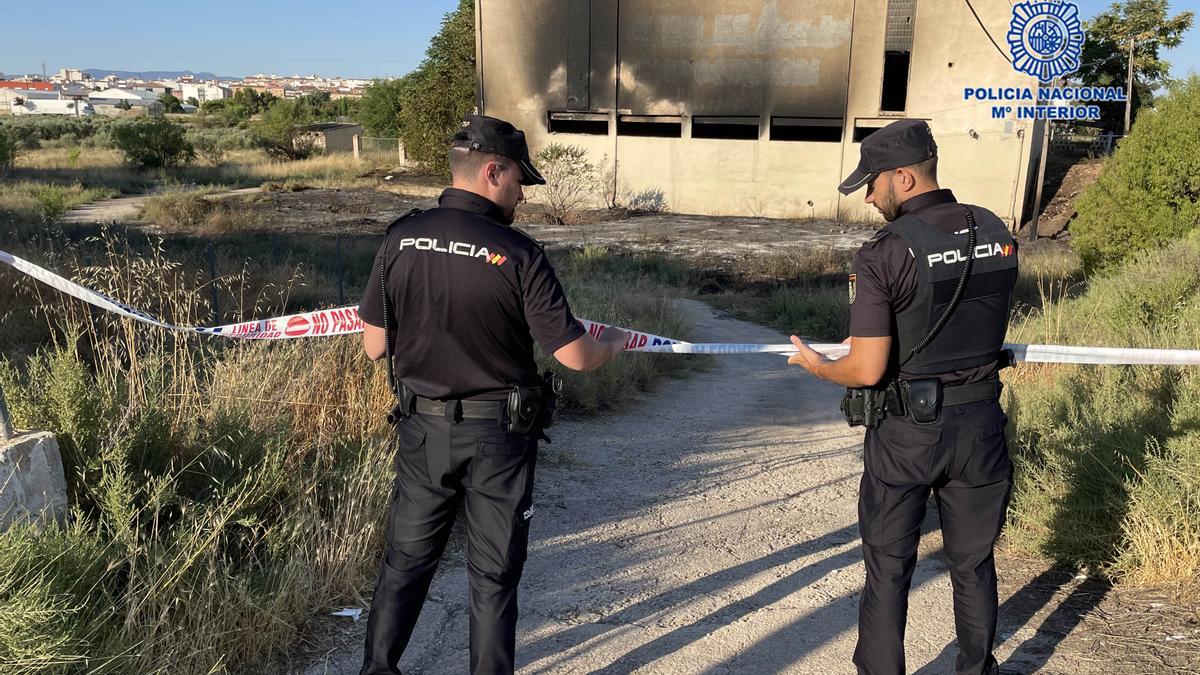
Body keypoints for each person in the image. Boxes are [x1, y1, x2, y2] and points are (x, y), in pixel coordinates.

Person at [357, 114, 628, 675]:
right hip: (498, 440)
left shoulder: (399, 236)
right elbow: (573, 355)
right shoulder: (518, 252)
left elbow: (374, 347)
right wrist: (616, 344)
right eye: (519, 182)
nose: (522, 196)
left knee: (405, 563)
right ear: (491, 170)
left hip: (421, 430)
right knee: (494, 574)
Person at [787, 119, 1019, 675]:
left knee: (889, 567)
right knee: (973, 561)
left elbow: (866, 369)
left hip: (908, 436)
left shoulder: (883, 254)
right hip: (983, 426)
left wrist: (819, 367)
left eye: (873, 182)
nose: (869, 195)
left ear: (904, 178)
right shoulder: (995, 229)